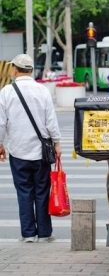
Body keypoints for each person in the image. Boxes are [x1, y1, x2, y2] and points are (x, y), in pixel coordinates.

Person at [0, 54, 62, 243]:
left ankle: (28, 234)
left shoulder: (6, 92)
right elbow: (51, 121)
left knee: (24, 192)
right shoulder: (42, 91)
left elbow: (1, 123)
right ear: (31, 71)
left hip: (18, 151)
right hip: (40, 152)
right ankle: (44, 233)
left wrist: (0, 145)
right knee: (42, 190)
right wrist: (57, 143)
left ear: (15, 70)